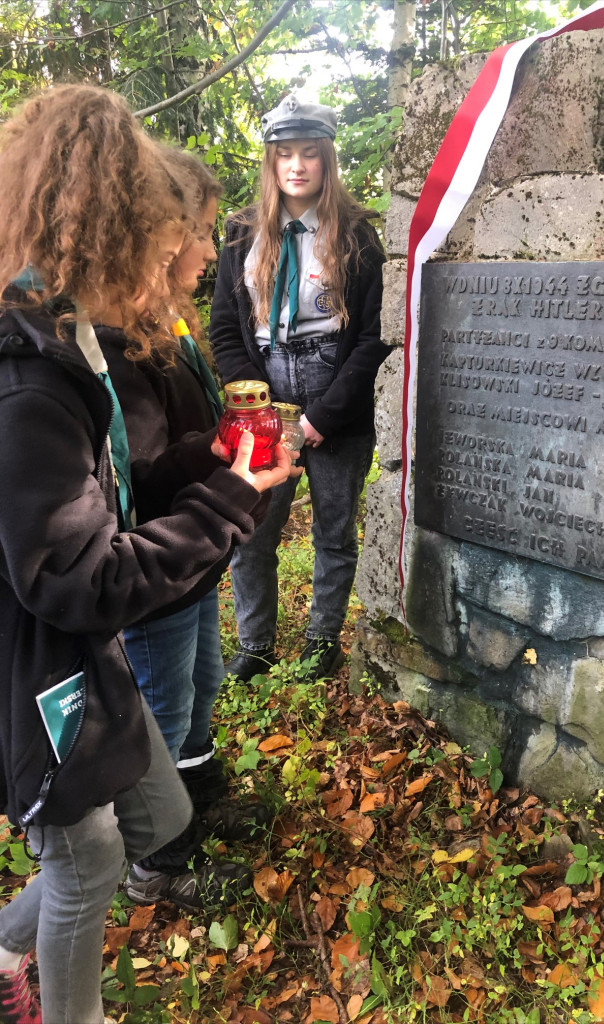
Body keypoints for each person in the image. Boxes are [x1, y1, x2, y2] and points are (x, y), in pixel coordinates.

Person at [0, 85, 292, 1024]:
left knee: (161, 814)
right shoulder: (32, 384)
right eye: (170, 246)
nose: (182, 266)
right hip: (40, 672)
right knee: (87, 863)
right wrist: (231, 501)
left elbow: (110, 501)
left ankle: (1, 943)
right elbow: (78, 576)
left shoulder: (73, 346)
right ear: (116, 236)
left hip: (79, 655)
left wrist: (211, 467)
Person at [98, 149, 277, 909]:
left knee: (201, 685)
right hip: (158, 566)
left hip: (192, 560)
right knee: (163, 709)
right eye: (196, 233)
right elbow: (136, 481)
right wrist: (217, 462)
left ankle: (198, 797)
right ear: (151, 238)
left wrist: (221, 443)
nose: (208, 251)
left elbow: (179, 440)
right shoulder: (115, 346)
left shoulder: (164, 323)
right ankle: (157, 863)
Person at [209, 94, 389, 682]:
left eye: (309, 153)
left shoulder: (358, 236)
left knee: (333, 530)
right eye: (284, 153)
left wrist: (322, 419)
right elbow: (224, 329)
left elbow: (372, 339)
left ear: (326, 159)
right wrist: (257, 410)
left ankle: (322, 641)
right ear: (271, 160)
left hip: (337, 398)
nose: (296, 165)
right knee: (253, 527)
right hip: (266, 394)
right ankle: (255, 644)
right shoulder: (241, 234)